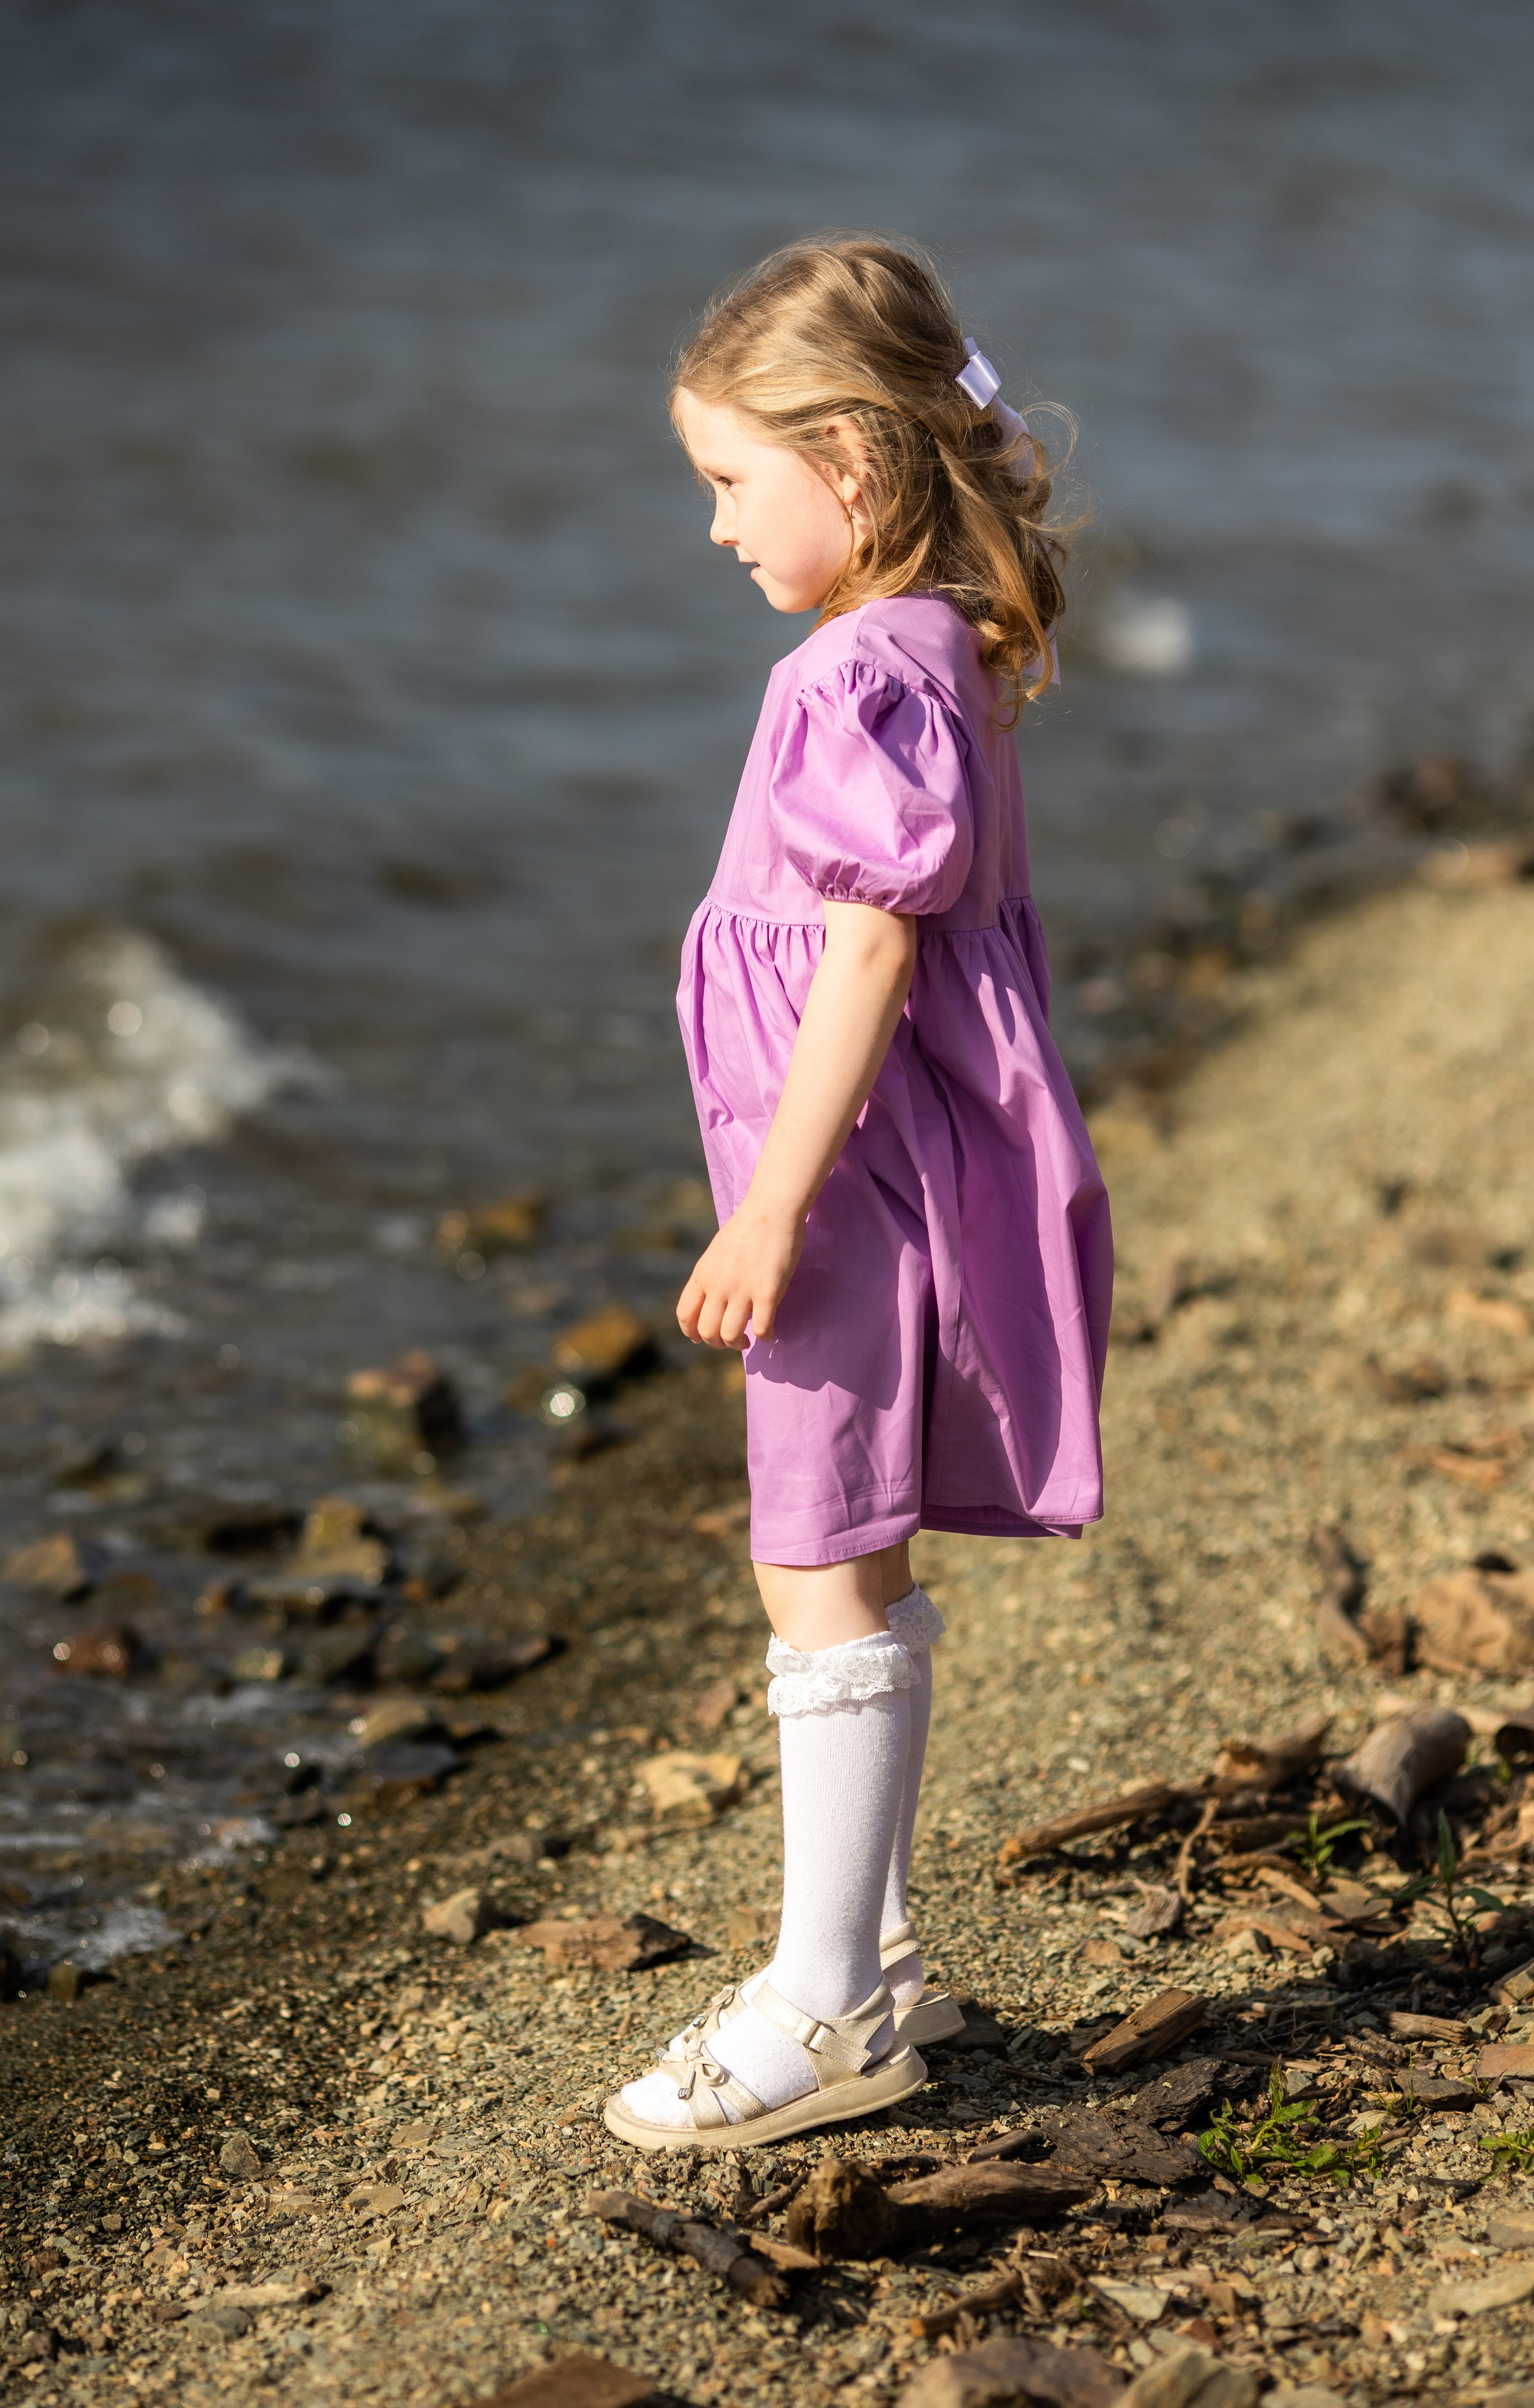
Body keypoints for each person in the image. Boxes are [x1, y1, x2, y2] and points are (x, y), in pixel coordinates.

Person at [602, 236, 1113, 2152]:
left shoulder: (854, 671)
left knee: (811, 1551)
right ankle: (869, 1952)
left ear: (860, 467)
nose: (716, 528)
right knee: (855, 1550)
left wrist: (769, 1209)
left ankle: (823, 2011)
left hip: (847, 1168)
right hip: (896, 1153)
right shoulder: (933, 647)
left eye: (733, 482)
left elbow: (874, 954)